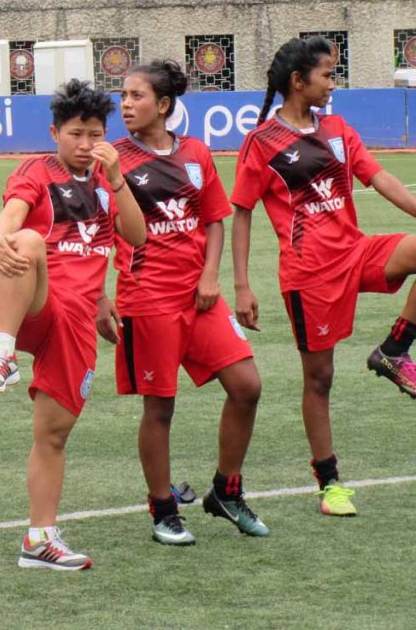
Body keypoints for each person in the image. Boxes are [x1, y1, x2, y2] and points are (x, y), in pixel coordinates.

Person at [231, 36, 416, 517]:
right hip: (308, 274)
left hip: (356, 252)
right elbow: (243, 213)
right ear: (298, 81)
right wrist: (242, 285)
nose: (333, 83)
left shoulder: (337, 128)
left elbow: (382, 179)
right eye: (328, 75)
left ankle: (394, 351)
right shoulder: (262, 143)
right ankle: (330, 484)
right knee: (320, 379)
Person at [0, 79, 146, 570]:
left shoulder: (109, 181)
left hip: (76, 325)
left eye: (95, 135)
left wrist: (116, 180)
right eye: (76, 134)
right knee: (26, 241)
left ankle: (39, 538)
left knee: (53, 434)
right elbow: (12, 217)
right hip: (33, 304)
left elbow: (136, 235)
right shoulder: (37, 171)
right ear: (55, 133)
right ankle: (0, 353)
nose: (86, 145)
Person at [113, 61, 268, 546]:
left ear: (163, 105)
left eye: (136, 95)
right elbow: (99, 231)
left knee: (247, 385)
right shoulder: (113, 160)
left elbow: (216, 218)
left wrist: (211, 276)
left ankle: (226, 490)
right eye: (123, 95)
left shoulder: (196, 152)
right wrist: (101, 297)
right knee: (160, 408)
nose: (125, 104)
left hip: (198, 295)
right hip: (148, 296)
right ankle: (163, 509)